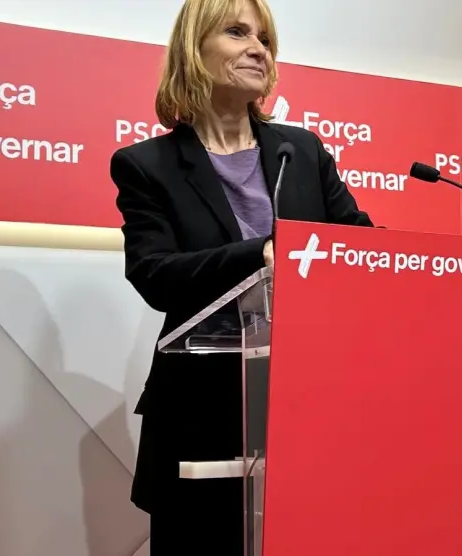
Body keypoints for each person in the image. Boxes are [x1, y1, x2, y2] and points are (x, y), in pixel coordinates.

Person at [109, 0, 374, 552]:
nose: (258, 49)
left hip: (310, 404)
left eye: (265, 39)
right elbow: (155, 274)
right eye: (237, 33)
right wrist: (262, 254)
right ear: (194, 48)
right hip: (202, 413)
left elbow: (359, 248)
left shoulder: (302, 151)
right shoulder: (146, 165)